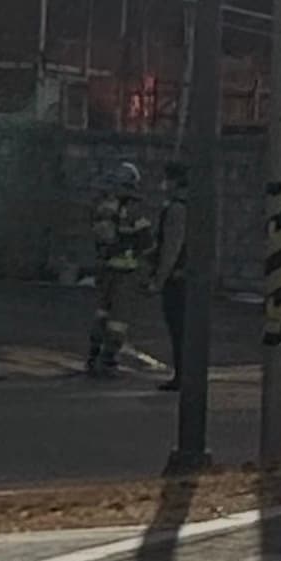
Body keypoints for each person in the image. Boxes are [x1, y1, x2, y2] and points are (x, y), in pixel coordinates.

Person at [88, 161, 153, 379]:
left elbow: (98, 237)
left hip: (105, 269)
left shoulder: (103, 206)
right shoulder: (134, 209)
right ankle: (108, 362)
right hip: (127, 271)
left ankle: (93, 356)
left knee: (101, 314)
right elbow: (146, 242)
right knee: (119, 320)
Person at [150, 160, 188, 393]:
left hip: (177, 278)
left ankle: (181, 375)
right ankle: (186, 373)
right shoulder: (198, 205)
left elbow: (171, 247)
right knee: (186, 329)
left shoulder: (177, 208)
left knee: (178, 328)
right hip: (191, 276)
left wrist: (159, 279)